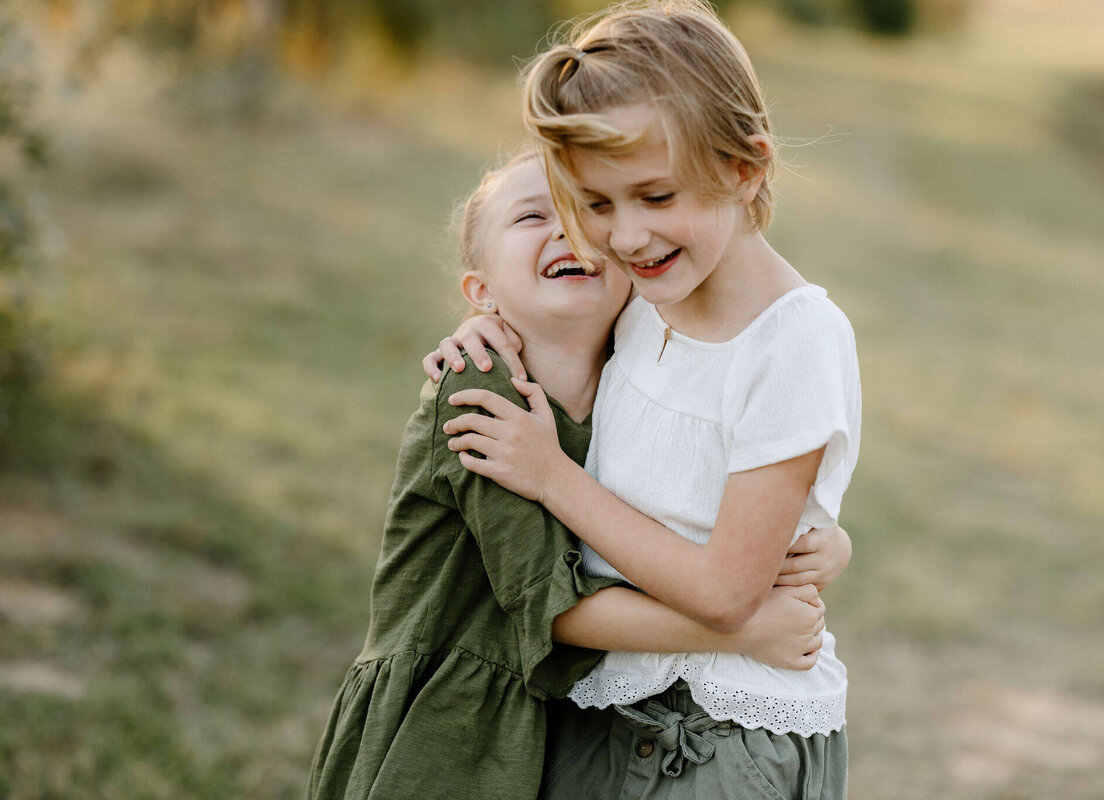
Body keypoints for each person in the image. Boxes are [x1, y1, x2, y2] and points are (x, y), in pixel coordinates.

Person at [306, 150, 837, 800]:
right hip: (445, 722)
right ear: (481, 291)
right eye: (533, 216)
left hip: (560, 724)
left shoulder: (634, 370)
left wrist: (825, 545)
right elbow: (548, 604)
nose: (567, 231)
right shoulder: (482, 394)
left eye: (586, 216)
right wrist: (747, 633)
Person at [432, 2, 862, 797]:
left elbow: (728, 594)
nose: (626, 238)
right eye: (596, 205)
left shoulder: (794, 341)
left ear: (746, 166)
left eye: (656, 198)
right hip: (606, 707)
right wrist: (482, 325)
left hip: (725, 737)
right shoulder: (644, 294)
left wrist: (554, 477)